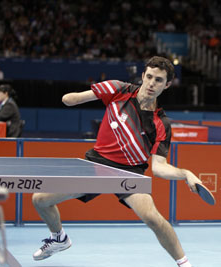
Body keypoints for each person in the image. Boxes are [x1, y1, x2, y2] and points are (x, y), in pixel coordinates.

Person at [31, 56, 202, 267]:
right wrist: (75, 97)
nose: (151, 83)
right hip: (96, 164)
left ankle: (184, 264)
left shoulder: (161, 123)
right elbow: (70, 99)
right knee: (40, 199)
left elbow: (159, 167)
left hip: (129, 172)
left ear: (167, 85)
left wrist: (185, 173)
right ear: (142, 76)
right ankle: (59, 239)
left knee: (153, 218)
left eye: (158, 80)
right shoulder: (118, 90)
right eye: (149, 77)